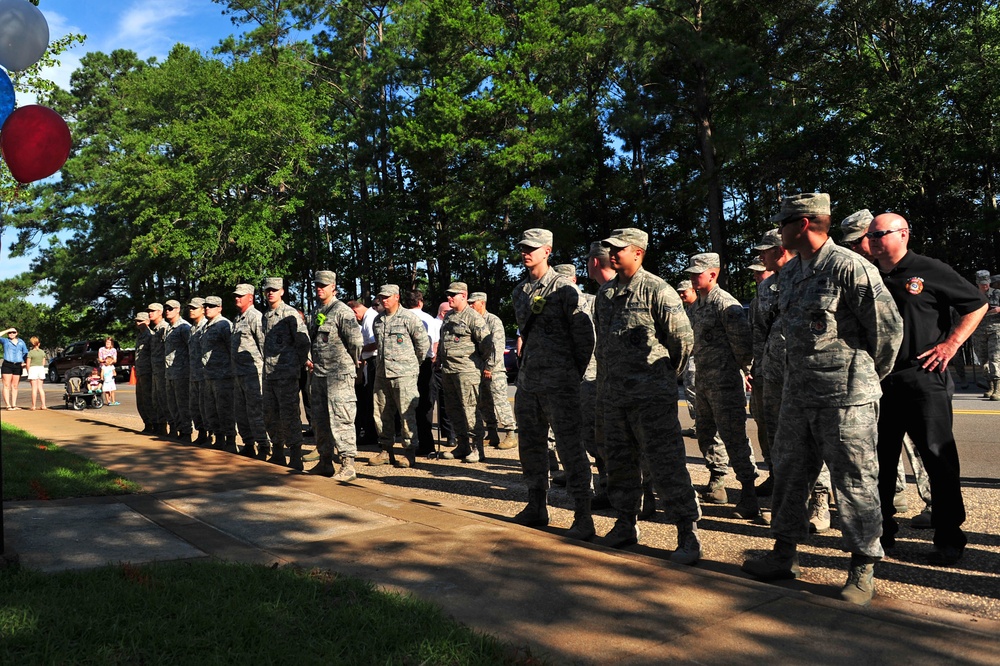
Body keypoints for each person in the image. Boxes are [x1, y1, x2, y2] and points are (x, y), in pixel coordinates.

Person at [742, 193, 902, 607]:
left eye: (784, 224)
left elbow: (887, 331)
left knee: (854, 481)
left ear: (806, 223)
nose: (779, 233)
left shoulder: (849, 267)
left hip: (845, 397)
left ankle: (862, 567)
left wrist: (862, 377)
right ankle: (784, 554)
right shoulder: (792, 272)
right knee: (790, 473)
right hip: (799, 394)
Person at [867, 213, 987, 566]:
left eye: (880, 234)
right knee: (880, 463)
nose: (872, 240)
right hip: (879, 382)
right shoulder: (868, 274)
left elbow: (976, 304)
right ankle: (882, 535)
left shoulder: (928, 269)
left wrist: (951, 344)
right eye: (870, 235)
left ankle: (949, 538)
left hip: (922, 378)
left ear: (903, 235)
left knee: (938, 460)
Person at [594, 228, 702, 562]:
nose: (612, 254)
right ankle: (626, 523)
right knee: (620, 464)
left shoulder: (657, 289)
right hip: (615, 397)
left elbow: (682, 342)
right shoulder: (606, 293)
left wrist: (662, 378)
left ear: (638, 252)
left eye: (619, 249)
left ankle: (687, 533)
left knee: (666, 465)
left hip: (651, 398)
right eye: (610, 249)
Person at [511, 228, 596, 541]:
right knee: (531, 446)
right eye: (523, 248)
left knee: (570, 447)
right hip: (530, 381)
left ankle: (583, 515)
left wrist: (572, 376)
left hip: (561, 382)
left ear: (547, 250)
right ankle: (536, 505)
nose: (526, 252)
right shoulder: (520, 292)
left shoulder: (564, 289)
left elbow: (585, 338)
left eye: (532, 248)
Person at [684, 252, 759, 519]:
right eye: (691, 273)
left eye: (697, 273)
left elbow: (743, 346)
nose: (692, 278)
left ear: (713, 275)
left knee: (734, 438)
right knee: (705, 434)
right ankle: (717, 482)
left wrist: (749, 373)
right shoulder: (697, 305)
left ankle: (749, 491)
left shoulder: (725, 304)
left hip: (725, 384)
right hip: (703, 382)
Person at [306, 270, 363, 480]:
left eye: (324, 285)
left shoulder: (342, 311)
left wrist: (352, 366)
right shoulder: (316, 311)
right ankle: (325, 461)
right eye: (317, 285)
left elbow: (356, 343)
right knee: (320, 421)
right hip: (320, 374)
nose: (320, 288)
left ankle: (348, 465)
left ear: (333, 287)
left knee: (342, 418)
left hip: (339, 374)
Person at [370, 283, 429, 468]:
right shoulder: (378, 320)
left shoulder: (409, 318)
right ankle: (386, 450)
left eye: (387, 297)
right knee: (381, 414)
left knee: (406, 414)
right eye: (381, 297)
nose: (384, 300)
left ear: (397, 297)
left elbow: (422, 345)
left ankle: (409, 452)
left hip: (404, 375)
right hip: (382, 374)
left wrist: (412, 366)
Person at [437, 282, 493, 463]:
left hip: (466, 371)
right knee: (453, 410)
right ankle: (462, 445)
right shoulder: (448, 317)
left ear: (464, 296)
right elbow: (443, 342)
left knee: (470, 410)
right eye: (448, 294)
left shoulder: (473, 317)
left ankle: (478, 448)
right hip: (448, 371)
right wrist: (439, 360)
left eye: (453, 294)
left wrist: (483, 364)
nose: (449, 298)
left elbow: (486, 345)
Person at [262, 277, 311, 470]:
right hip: (269, 373)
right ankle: (278, 452)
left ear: (282, 291)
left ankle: (296, 455)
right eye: (268, 290)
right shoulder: (266, 315)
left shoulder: (289, 313)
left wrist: (297, 364)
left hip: (286, 374)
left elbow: (303, 341)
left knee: (290, 414)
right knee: (271, 415)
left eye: (274, 290)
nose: (270, 293)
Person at [469, 292, 518, 451]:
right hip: (478, 368)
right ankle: (491, 433)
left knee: (499, 401)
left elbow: (497, 346)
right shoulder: (474, 320)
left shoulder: (493, 321)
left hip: (494, 370)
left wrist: (490, 367)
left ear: (482, 303)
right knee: (484, 402)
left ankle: (510, 434)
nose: (470, 306)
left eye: (473, 303)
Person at [231, 284, 270, 459]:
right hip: (239, 374)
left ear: (250, 298)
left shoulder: (255, 317)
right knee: (241, 412)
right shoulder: (238, 318)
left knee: (256, 411)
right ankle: (248, 443)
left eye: (241, 295)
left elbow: (264, 345)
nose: (237, 298)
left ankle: (264, 445)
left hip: (254, 374)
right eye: (236, 296)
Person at [403, 289, 440, 456]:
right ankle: (426, 443)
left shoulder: (401, 317)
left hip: (405, 364)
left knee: (406, 405)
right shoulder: (429, 319)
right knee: (425, 405)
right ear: (421, 302)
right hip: (424, 364)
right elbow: (435, 344)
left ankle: (411, 441)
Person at [201, 296, 237, 452]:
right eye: (206, 306)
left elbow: (232, 350)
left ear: (220, 308)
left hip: (223, 376)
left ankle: (230, 440)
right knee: (211, 410)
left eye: (211, 306)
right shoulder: (206, 326)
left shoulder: (224, 325)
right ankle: (219, 438)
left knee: (225, 410)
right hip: (209, 375)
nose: (207, 308)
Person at [348, 298, 380, 449]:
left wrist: (358, 350)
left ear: (355, 311)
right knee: (367, 399)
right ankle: (369, 432)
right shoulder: (368, 318)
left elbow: (375, 343)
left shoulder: (370, 319)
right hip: (369, 361)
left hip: (374, 360)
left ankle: (371, 434)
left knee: (370, 400)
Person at [163, 299, 193, 443]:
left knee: (183, 405)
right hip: (170, 373)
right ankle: (178, 429)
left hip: (182, 373)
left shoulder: (184, 327)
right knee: (172, 404)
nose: (167, 310)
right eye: (166, 308)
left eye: (170, 308)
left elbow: (191, 349)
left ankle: (186, 432)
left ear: (178, 310)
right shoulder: (169, 328)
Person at [972, 269, 1000, 400]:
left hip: (996, 330)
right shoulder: (972, 295)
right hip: (978, 331)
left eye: (987, 282)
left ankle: (998, 389)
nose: (985, 285)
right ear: (977, 283)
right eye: (982, 283)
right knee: (983, 361)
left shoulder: (997, 293)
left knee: (995, 359)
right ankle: (990, 387)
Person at [186, 298, 209, 445]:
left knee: (207, 407)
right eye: (190, 308)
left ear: (202, 309)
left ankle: (210, 434)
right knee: (195, 407)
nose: (191, 310)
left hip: (206, 374)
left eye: (195, 308)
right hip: (194, 373)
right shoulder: (192, 328)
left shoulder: (206, 326)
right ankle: (201, 433)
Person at [147, 303, 170, 435]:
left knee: (165, 400)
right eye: (149, 311)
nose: (150, 313)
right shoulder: (155, 329)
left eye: (153, 311)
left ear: (160, 312)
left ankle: (168, 427)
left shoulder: (164, 327)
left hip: (164, 371)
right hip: (156, 371)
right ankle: (160, 427)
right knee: (157, 400)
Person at [134, 312, 155, 432]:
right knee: (140, 400)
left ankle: (153, 424)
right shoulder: (139, 336)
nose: (138, 323)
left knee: (148, 399)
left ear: (147, 322)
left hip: (148, 372)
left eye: (140, 321)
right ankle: (147, 422)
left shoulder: (150, 336)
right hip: (140, 372)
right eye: (137, 321)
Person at [1, 327, 28, 410]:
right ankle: (8, 405)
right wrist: (7, 330)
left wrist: (25, 362)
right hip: (7, 364)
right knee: (6, 385)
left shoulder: (21, 342)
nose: (11, 334)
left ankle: (14, 404)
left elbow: (25, 352)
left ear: (17, 333)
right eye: (10, 332)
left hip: (18, 365)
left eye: (13, 332)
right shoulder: (5, 341)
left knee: (15, 385)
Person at [25, 336, 47, 410]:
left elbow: (28, 364)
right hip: (41, 368)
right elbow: (43, 363)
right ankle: (43, 405)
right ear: (39, 344)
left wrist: (28, 372)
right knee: (40, 388)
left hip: (33, 369)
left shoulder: (30, 353)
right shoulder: (42, 352)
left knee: (34, 388)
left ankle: (33, 405)